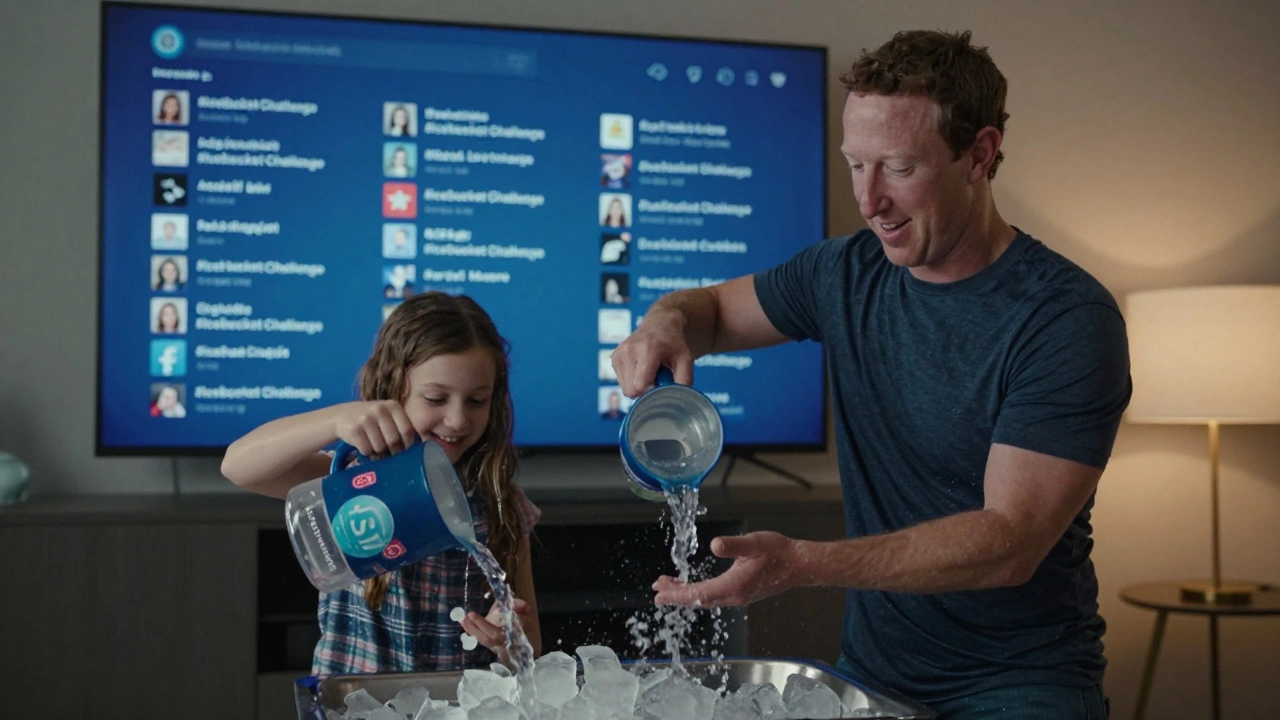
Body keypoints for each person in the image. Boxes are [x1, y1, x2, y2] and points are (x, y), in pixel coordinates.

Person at [611, 30, 1130, 719]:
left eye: (898, 168)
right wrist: (663, 324)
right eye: (856, 165)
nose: (870, 199)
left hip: (1020, 685)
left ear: (980, 154)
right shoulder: (844, 273)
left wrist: (801, 562)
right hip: (873, 677)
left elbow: (1007, 542)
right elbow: (705, 309)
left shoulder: (1064, 317)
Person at [221, 292, 542, 673]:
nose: (457, 419)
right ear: (393, 388)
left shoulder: (503, 504)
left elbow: (531, 644)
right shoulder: (349, 480)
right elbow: (238, 466)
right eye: (436, 398)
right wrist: (335, 420)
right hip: (356, 705)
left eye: (476, 401)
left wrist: (508, 642)